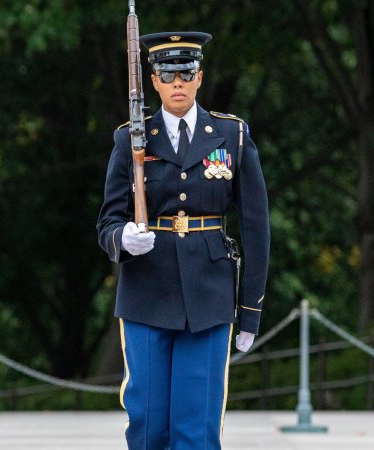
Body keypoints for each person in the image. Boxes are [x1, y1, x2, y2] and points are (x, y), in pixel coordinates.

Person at [97, 31, 270, 449]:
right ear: (153, 81)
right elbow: (107, 221)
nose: (177, 82)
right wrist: (124, 238)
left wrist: (249, 309)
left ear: (199, 78)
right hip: (146, 290)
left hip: (208, 295)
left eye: (186, 73)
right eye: (167, 74)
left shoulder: (231, 136)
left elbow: (255, 228)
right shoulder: (131, 139)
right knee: (148, 425)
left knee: (196, 427)